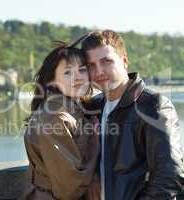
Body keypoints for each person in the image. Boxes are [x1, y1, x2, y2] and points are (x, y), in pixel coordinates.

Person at [75, 30, 184, 200]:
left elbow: (170, 174)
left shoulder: (153, 106)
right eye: (91, 65)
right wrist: (90, 177)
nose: (99, 71)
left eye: (106, 61)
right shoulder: (92, 107)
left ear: (124, 61)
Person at [20, 42, 100, 200]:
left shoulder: (71, 107)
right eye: (68, 72)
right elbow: (69, 188)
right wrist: (95, 147)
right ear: (53, 81)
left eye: (82, 70)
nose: (78, 77)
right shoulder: (55, 117)